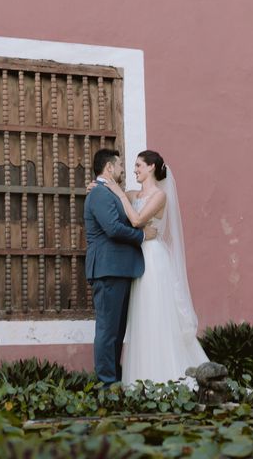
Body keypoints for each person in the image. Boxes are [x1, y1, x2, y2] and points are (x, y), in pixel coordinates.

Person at [103, 150, 209, 385]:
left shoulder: (159, 196)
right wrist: (98, 188)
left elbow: (137, 220)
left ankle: (166, 374)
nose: (135, 170)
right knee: (141, 315)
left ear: (151, 167)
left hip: (153, 259)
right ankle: (142, 377)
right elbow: (111, 196)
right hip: (137, 257)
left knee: (155, 312)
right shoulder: (135, 193)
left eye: (139, 165)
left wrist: (120, 194)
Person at [84, 149, 157, 387]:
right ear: (109, 168)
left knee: (116, 330)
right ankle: (107, 383)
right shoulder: (99, 194)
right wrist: (142, 235)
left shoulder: (109, 192)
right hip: (108, 269)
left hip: (120, 269)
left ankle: (114, 378)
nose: (123, 169)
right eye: (120, 165)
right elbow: (113, 228)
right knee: (107, 330)